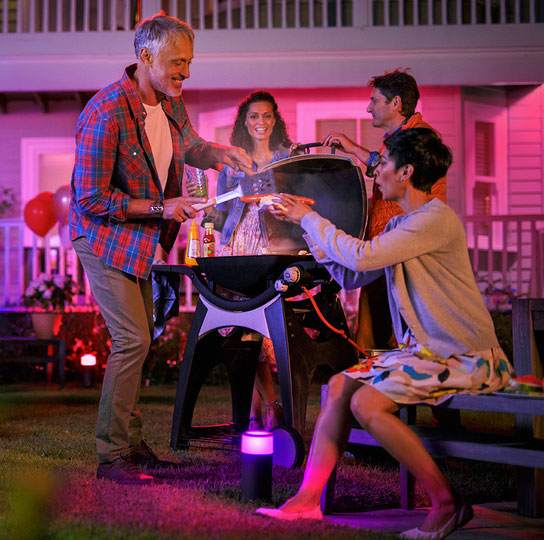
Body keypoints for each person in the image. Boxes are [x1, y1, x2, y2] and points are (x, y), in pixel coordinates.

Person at [257, 128, 512, 540]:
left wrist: (311, 219)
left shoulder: (435, 220)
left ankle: (446, 504)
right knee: (341, 386)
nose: (377, 171)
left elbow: (362, 256)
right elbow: (352, 273)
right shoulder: (405, 221)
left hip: (462, 354)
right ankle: (306, 503)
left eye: (383, 163)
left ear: (406, 171)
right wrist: (307, 227)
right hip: (427, 353)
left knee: (369, 406)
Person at [70, 13, 252, 485]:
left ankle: (132, 448)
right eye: (177, 62)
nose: (184, 73)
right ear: (145, 57)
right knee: (133, 339)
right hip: (102, 238)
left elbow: (189, 145)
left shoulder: (170, 102)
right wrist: (160, 207)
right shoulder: (105, 112)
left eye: (188, 63)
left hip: (141, 241)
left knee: (140, 337)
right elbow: (88, 198)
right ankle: (112, 458)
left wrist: (218, 154)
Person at [322, 69, 447, 352]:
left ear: (396, 104)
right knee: (375, 333)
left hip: (407, 253)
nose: (369, 107)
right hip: (386, 248)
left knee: (399, 336)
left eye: (375, 100)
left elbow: (398, 176)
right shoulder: (399, 138)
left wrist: (353, 149)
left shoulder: (420, 139)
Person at [204, 90, 297, 431]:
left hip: (273, 244)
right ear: (245, 121)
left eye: (268, 116)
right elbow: (223, 209)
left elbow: (294, 200)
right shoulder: (233, 161)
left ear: (275, 120)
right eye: (254, 116)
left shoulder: (287, 155)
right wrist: (207, 213)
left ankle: (262, 409)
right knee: (244, 329)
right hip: (240, 244)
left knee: (269, 328)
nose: (261, 122)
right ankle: (264, 410)